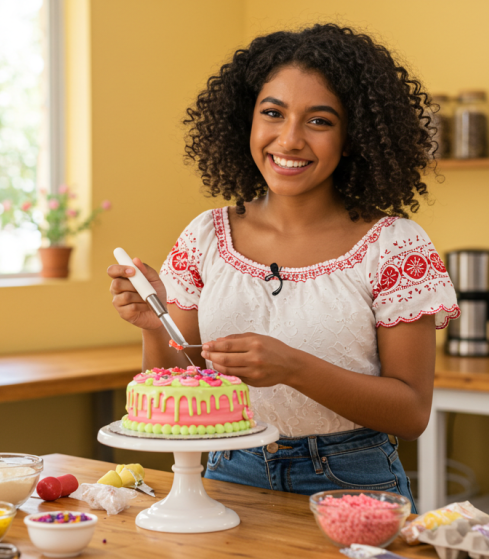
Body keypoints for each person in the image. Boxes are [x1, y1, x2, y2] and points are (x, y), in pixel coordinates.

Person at [107, 24, 459, 511]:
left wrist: (293, 367)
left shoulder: (396, 246)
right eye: (273, 113)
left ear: (353, 135)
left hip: (351, 481)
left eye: (319, 121)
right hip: (227, 472)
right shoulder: (206, 236)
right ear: (245, 121)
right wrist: (153, 326)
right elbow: (179, 395)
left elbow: (411, 412)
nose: (289, 140)